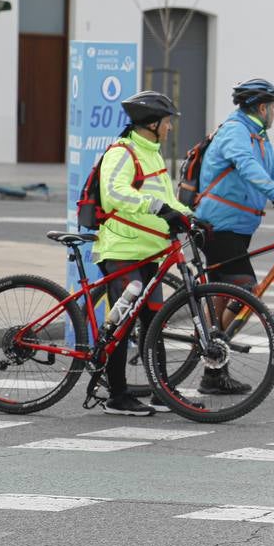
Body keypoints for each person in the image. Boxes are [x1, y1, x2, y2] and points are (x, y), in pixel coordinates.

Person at [194, 78, 274, 394]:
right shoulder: (235, 132)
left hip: (238, 227)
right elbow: (248, 169)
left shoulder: (259, 137)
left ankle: (213, 371)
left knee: (225, 292)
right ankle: (212, 350)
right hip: (218, 225)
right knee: (245, 290)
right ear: (263, 107)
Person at [93, 91, 193, 417]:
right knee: (123, 322)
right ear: (152, 123)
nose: (170, 129)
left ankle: (161, 390)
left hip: (150, 251)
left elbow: (167, 199)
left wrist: (193, 219)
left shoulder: (153, 155)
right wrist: (158, 206)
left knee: (154, 321)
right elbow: (113, 195)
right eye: (166, 123)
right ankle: (117, 395)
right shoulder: (122, 153)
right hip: (122, 248)